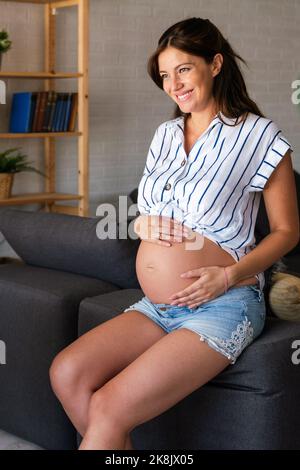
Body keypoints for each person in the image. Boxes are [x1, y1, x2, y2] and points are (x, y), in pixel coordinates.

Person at [49, 17, 299, 450]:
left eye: (183, 69)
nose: (173, 84)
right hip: (157, 306)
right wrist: (140, 222)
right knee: (66, 373)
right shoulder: (165, 135)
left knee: (108, 409)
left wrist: (228, 276)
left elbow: (287, 232)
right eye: (165, 75)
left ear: (215, 64)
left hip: (224, 304)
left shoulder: (260, 135)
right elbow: (147, 210)